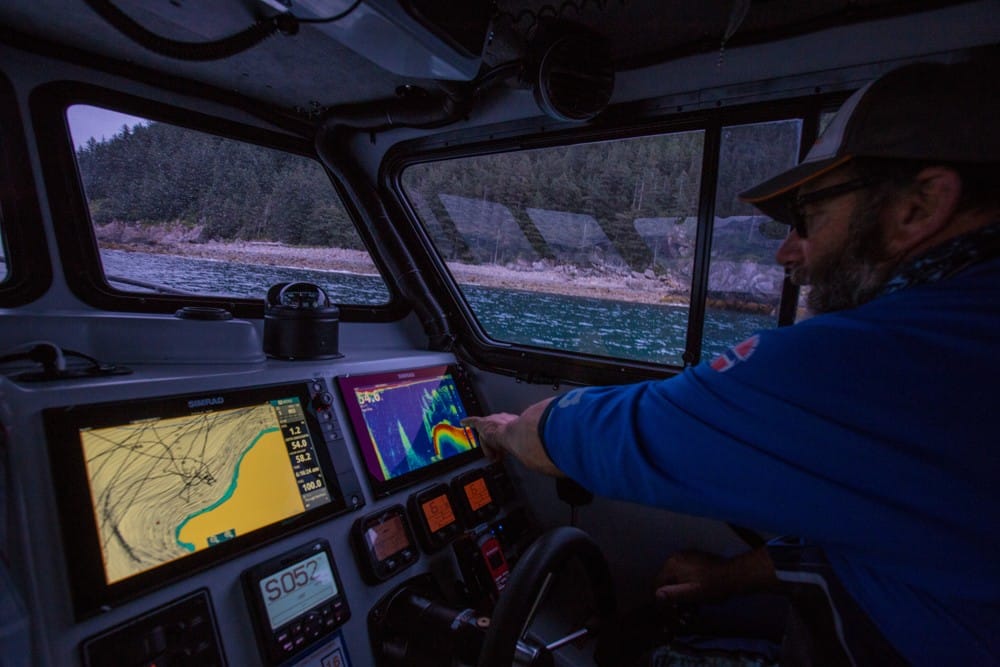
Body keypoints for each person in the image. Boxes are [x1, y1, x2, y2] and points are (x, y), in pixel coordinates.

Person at [463, 59, 1000, 665]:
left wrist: (510, 431)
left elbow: (599, 434)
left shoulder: (883, 361)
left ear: (919, 207)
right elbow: (898, 527)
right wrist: (731, 578)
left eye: (807, 216)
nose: (786, 251)